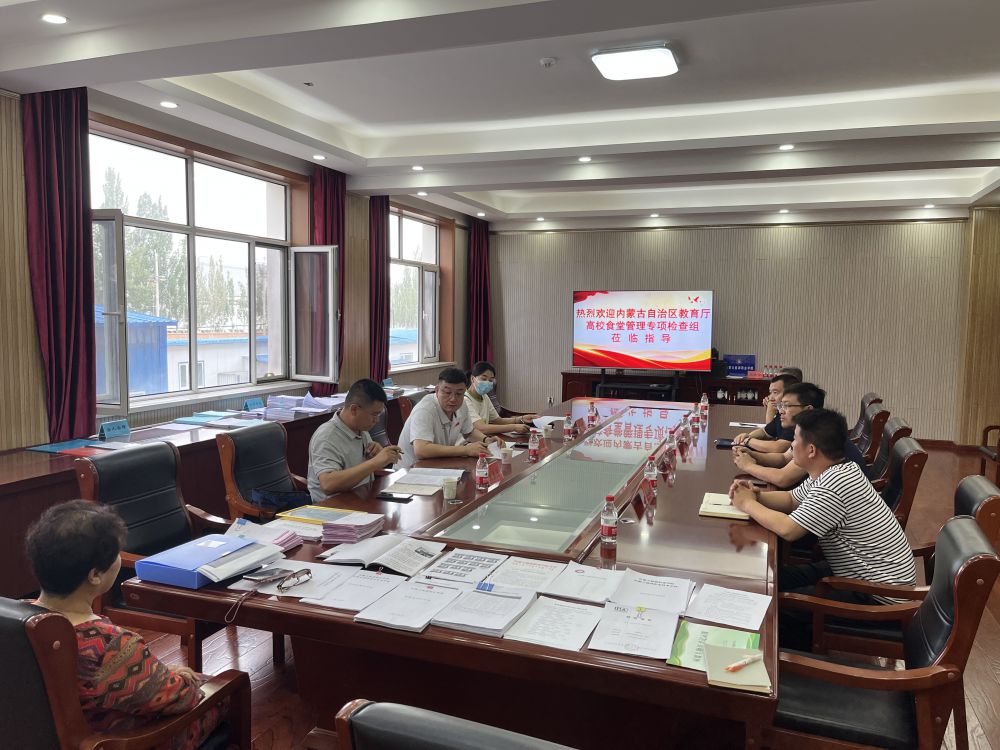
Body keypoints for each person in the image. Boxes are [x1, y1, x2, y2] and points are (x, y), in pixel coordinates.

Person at [24, 501, 224, 750]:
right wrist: (181, 678)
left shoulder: (15, 623)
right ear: (95, 575)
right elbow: (183, 698)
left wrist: (158, 673)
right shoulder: (110, 646)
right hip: (115, 742)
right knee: (226, 689)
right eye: (117, 553)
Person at [729, 409, 916, 649]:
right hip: (854, 573)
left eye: (795, 439)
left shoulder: (835, 484)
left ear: (811, 450)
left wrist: (747, 504)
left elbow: (788, 530)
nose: (791, 445)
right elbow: (791, 499)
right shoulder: (835, 470)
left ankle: (789, 663)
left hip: (877, 597)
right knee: (772, 580)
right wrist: (757, 496)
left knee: (776, 608)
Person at [733, 384, 869, 488]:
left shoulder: (818, 437)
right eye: (781, 406)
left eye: (786, 406)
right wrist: (752, 454)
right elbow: (783, 458)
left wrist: (748, 466)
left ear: (808, 409)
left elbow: (783, 478)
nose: (781, 411)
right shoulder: (808, 430)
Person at [307, 378, 402, 501]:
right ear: (354, 409)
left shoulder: (361, 429)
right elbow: (328, 485)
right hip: (333, 507)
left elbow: (365, 470)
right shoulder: (326, 437)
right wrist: (375, 462)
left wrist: (379, 455)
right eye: (374, 414)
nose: (377, 420)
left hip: (362, 499)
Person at [398, 367, 501, 468]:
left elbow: (469, 432)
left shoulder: (462, 405)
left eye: (459, 393)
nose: (453, 399)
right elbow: (421, 450)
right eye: (447, 393)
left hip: (439, 464)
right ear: (437, 390)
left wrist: (486, 440)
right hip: (411, 470)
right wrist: (466, 450)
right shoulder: (425, 409)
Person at [464, 361, 539, 436]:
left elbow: (498, 420)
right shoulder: (465, 400)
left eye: (490, 380)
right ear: (473, 379)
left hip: (484, 439)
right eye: (484, 379)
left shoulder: (484, 396)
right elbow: (481, 428)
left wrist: (521, 419)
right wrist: (513, 427)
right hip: (469, 442)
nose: (487, 383)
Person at [734, 373, 799, 452]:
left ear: (790, 393)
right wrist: (747, 436)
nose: (770, 398)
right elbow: (766, 432)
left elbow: (778, 447)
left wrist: (748, 441)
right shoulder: (781, 412)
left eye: (775, 392)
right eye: (770, 393)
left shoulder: (794, 415)